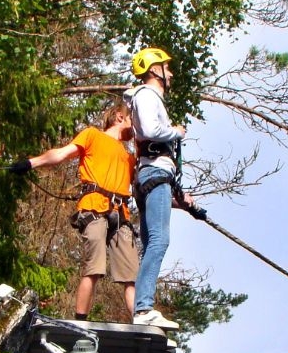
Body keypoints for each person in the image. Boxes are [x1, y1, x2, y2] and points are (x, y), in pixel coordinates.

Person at [10, 103, 138, 321]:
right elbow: (60, 154)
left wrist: (183, 203)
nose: (136, 126)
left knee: (131, 275)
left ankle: (141, 320)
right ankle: (81, 321)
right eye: (132, 120)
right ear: (119, 117)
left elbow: (145, 191)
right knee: (94, 268)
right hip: (94, 208)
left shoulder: (130, 158)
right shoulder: (93, 136)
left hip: (120, 214)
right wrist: (31, 163)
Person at [124, 47, 190, 330]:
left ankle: (142, 308)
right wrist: (176, 131)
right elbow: (151, 131)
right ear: (154, 70)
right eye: (166, 67)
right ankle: (143, 309)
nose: (171, 72)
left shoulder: (142, 98)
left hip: (150, 174)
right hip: (155, 172)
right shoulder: (148, 96)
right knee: (160, 241)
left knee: (152, 242)